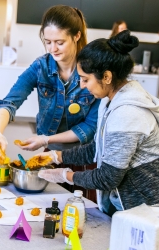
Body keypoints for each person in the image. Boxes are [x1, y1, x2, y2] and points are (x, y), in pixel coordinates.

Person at [37, 30, 159, 216]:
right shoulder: (109, 101)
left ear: (107, 77)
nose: (83, 85)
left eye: (86, 79)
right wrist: (57, 156)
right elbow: (97, 148)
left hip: (145, 210)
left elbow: (108, 177)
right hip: (128, 206)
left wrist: (66, 176)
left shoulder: (128, 114)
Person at [0, 5, 100, 195]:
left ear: (77, 36)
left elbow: (88, 129)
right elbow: (10, 102)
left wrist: (45, 139)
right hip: (50, 155)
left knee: (79, 211)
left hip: (84, 157)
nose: (52, 49)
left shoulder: (92, 70)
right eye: (47, 42)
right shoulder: (41, 66)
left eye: (59, 42)